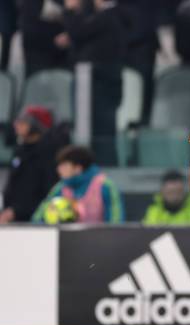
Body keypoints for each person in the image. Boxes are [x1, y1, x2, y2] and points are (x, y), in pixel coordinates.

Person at [63, 0, 126, 165]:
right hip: (93, 84)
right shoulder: (101, 16)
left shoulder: (111, 15)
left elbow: (77, 32)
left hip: (102, 85)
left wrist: (71, 11)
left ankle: (104, 169)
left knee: (103, 133)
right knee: (92, 131)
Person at [32, 145, 124, 223]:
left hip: (99, 242)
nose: (58, 170)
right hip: (65, 241)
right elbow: (38, 219)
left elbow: (116, 223)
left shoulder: (105, 186)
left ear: (78, 168)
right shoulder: (60, 188)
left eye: (64, 165)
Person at [0, 106, 59, 223]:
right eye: (17, 121)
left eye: (23, 122)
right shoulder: (20, 151)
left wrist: (17, 211)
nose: (16, 125)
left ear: (36, 125)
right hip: (12, 217)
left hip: (36, 221)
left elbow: (47, 192)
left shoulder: (48, 153)